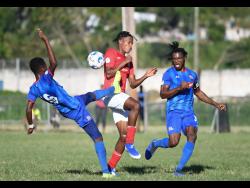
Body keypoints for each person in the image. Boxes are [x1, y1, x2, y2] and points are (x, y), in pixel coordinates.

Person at [26, 28, 121, 178]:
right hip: (76, 110)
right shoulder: (46, 78)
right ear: (42, 68)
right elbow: (54, 62)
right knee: (98, 137)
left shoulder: (33, 89)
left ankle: (113, 89)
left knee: (89, 96)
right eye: (45, 66)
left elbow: (29, 107)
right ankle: (105, 172)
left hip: (70, 104)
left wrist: (31, 125)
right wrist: (45, 40)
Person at [145, 41, 227, 176]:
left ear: (184, 58)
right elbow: (162, 94)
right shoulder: (168, 74)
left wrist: (216, 104)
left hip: (188, 112)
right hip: (174, 112)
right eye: (174, 59)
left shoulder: (192, 75)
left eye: (179, 58)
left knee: (192, 135)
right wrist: (179, 88)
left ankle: (178, 170)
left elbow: (198, 93)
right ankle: (155, 144)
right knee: (173, 142)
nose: (176, 61)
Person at [103, 31, 157, 175]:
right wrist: (123, 62)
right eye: (129, 42)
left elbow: (132, 84)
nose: (131, 46)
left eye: (132, 43)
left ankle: (110, 168)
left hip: (119, 97)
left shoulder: (129, 61)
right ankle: (130, 143)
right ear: (121, 41)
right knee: (136, 105)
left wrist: (146, 75)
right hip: (110, 94)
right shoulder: (111, 53)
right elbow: (108, 73)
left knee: (123, 135)